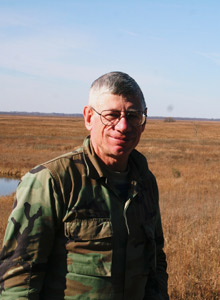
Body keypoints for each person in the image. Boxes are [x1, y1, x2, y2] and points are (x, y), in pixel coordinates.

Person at [0, 71, 169, 299]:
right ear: (89, 117)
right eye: (111, 115)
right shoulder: (52, 181)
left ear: (144, 120)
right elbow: (19, 279)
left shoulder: (145, 181)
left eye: (133, 115)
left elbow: (156, 259)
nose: (123, 126)